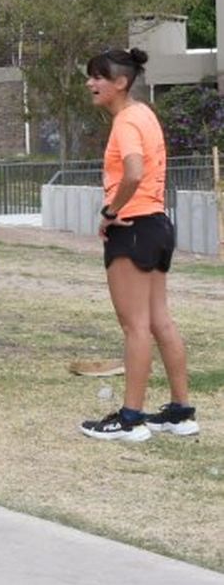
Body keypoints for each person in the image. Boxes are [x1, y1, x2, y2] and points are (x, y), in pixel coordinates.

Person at [79, 48, 197, 441]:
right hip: (158, 225)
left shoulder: (126, 122)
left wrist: (111, 210)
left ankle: (130, 420)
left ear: (121, 83)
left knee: (135, 328)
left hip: (134, 227)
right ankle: (181, 413)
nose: (91, 83)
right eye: (90, 76)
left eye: (99, 77)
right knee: (159, 321)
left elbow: (134, 171)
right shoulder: (146, 113)